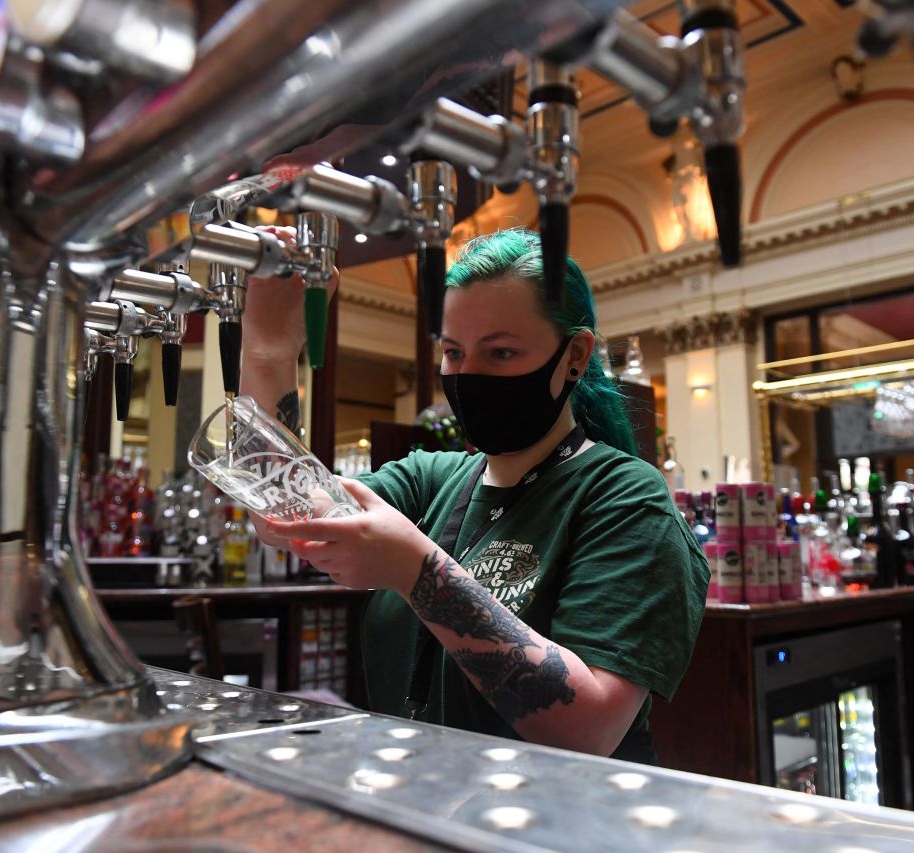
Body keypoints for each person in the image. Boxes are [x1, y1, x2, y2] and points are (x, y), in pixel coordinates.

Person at [241, 227, 708, 763]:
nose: (468, 377)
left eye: (501, 352)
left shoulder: (624, 498)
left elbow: (590, 727)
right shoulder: (431, 480)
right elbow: (289, 512)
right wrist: (269, 350)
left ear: (575, 355)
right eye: (454, 352)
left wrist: (417, 572)